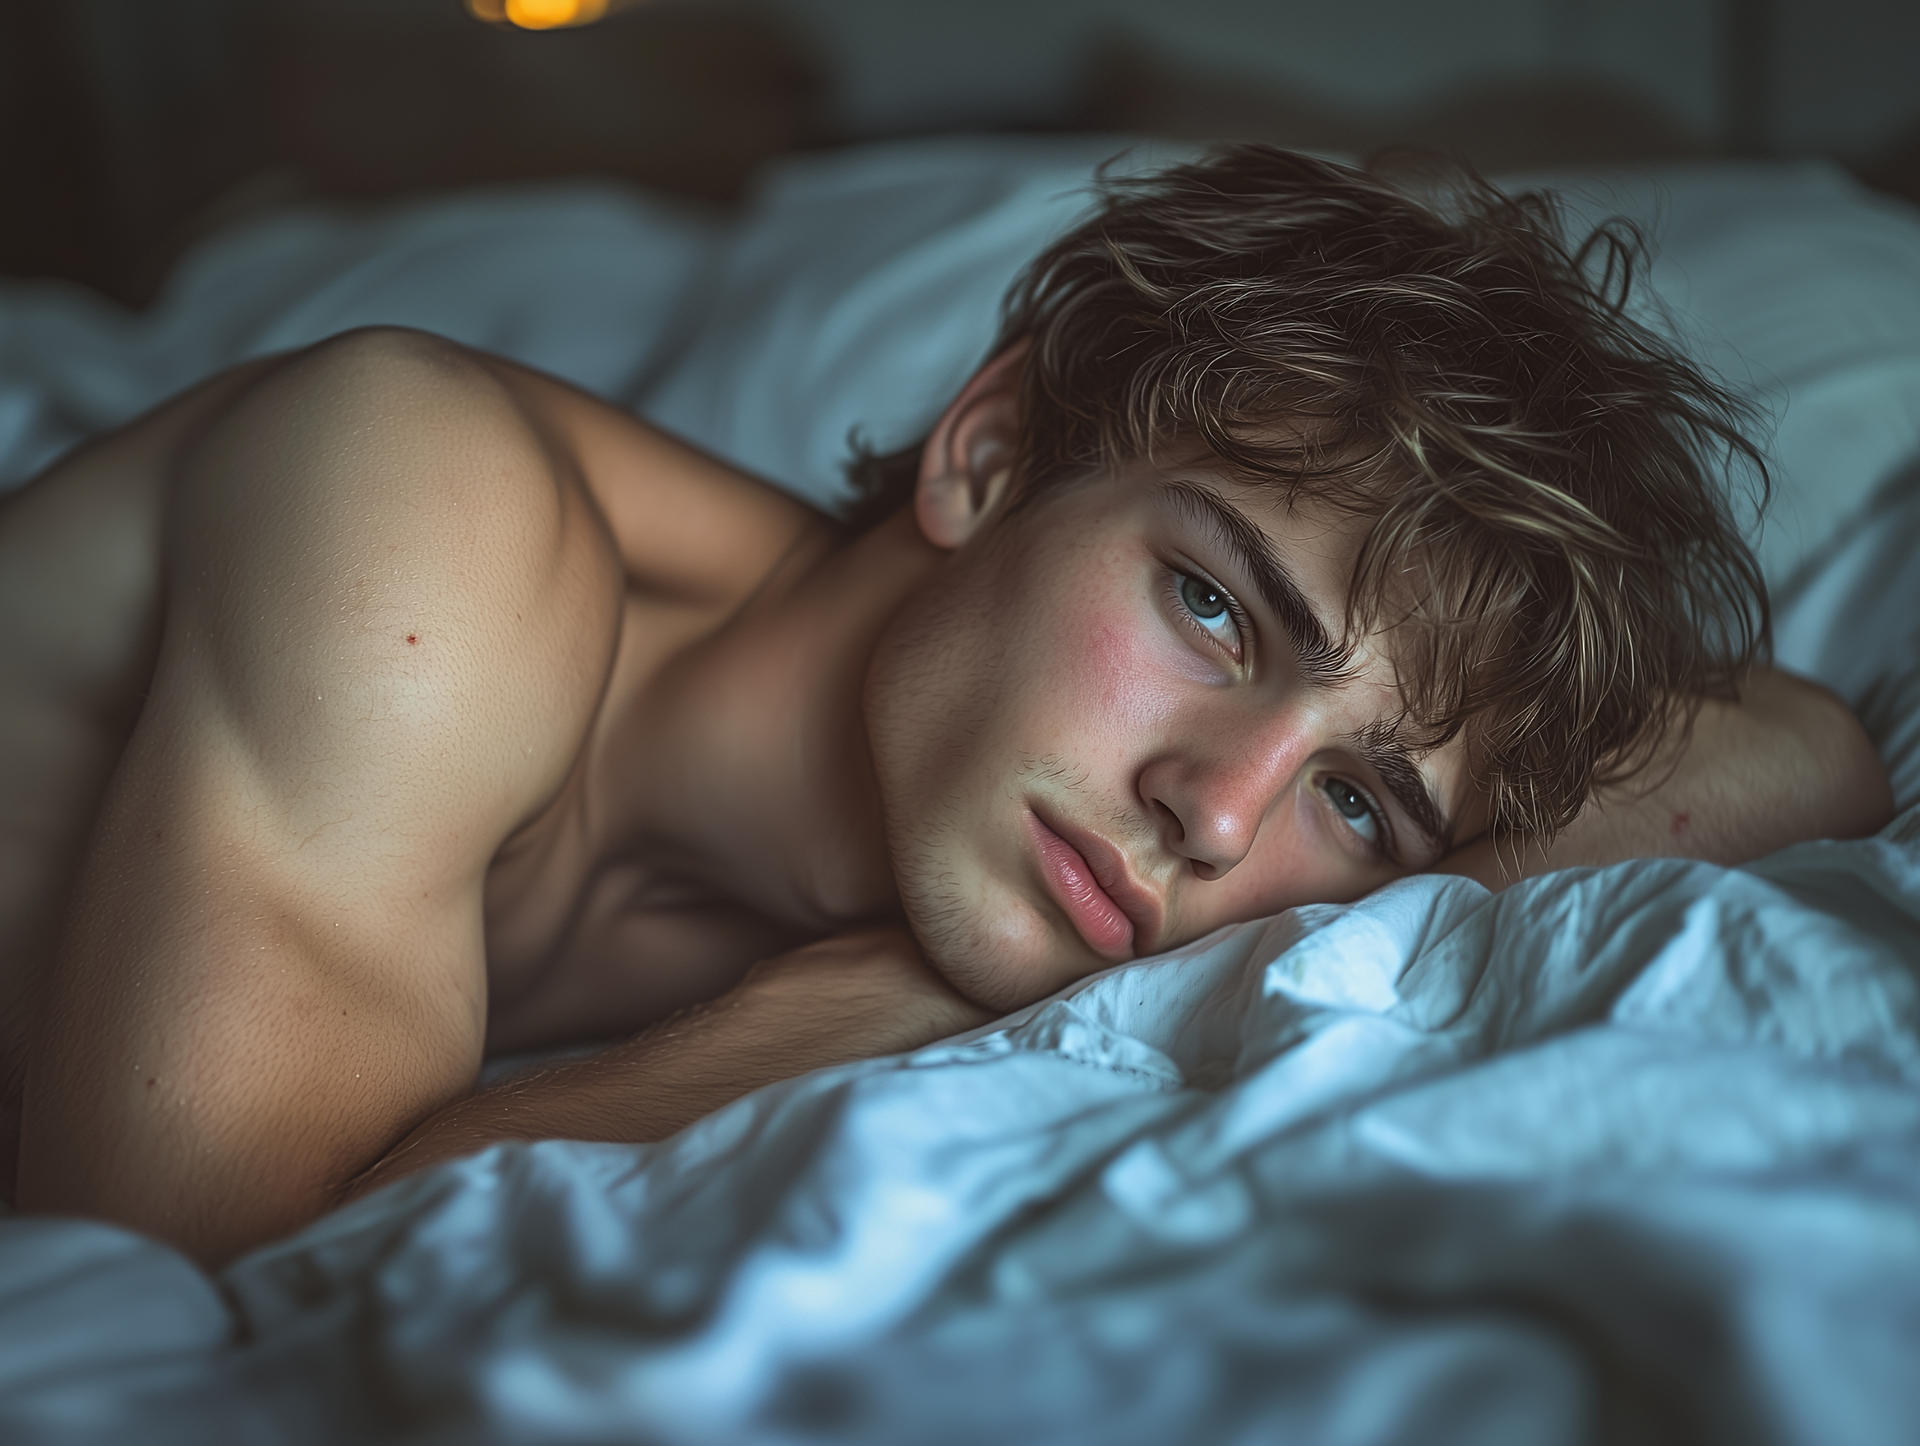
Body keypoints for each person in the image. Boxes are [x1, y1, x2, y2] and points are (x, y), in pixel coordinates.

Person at [2, 146, 1891, 1268]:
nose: (1219, 817)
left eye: (1364, 800)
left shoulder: (1055, 835)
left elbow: (1797, 751)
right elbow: (185, 1286)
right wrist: (835, 1018)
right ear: (989, 456)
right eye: (1217, 609)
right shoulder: (421, 505)